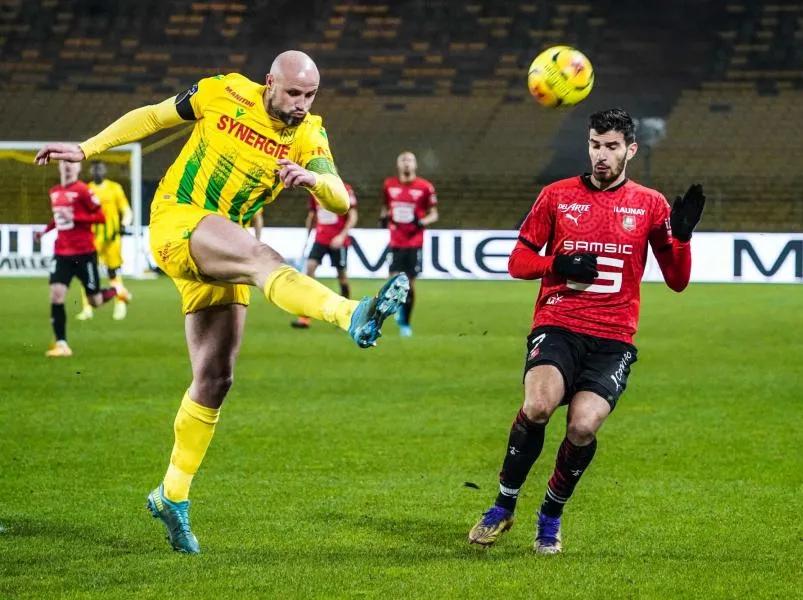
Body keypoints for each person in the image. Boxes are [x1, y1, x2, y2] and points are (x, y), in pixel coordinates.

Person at [34, 50, 409, 554]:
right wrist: (88, 147)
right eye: (294, 93)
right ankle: (350, 313)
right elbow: (152, 115)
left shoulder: (307, 134)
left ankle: (172, 494)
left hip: (218, 248)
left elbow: (340, 196)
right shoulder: (222, 91)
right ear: (270, 81)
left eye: (310, 95)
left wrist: (313, 180)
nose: (301, 104)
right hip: (178, 220)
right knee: (261, 256)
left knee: (215, 379)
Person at [466, 108, 705, 554]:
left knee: (583, 425)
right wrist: (556, 262)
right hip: (558, 324)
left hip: (613, 337)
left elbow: (677, 280)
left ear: (630, 150)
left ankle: (550, 516)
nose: (602, 154)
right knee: (537, 406)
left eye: (612, 146)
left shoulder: (650, 204)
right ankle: (503, 504)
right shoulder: (557, 196)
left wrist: (683, 237)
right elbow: (517, 262)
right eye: (596, 144)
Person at [37, 161, 130, 357]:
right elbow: (59, 218)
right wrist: (44, 232)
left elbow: (101, 217)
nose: (68, 167)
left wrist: (77, 218)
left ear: (78, 169)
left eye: (72, 163)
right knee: (56, 294)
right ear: (60, 167)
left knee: (95, 300)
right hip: (62, 252)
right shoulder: (54, 192)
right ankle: (62, 344)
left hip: (85, 253)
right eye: (65, 163)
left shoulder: (84, 191)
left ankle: (117, 290)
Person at [380, 152, 438, 337]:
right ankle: (397, 309)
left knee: (410, 286)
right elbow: (386, 207)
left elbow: (434, 214)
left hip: (414, 242)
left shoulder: (425, 187)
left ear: (415, 165)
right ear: (398, 165)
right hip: (396, 240)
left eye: (410, 160)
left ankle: (405, 323)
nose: (406, 163)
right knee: (393, 281)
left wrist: (422, 222)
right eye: (403, 160)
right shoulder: (389, 185)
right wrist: (383, 218)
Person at [292, 181, 358, 329]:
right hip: (320, 238)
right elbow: (312, 215)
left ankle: (346, 316)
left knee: (342, 276)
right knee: (309, 271)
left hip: (338, 240)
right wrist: (307, 237)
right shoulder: (314, 189)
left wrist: (342, 235)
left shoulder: (345, 189)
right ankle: (304, 318)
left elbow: (353, 216)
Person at [76, 160, 133, 321]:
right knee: (86, 272)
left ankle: (120, 304)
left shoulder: (115, 188)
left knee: (112, 272)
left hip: (112, 237)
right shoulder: (88, 190)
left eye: (100, 168)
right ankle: (87, 309)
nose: (97, 172)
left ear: (105, 170)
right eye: (94, 169)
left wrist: (124, 224)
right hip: (92, 237)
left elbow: (126, 210)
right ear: (91, 172)